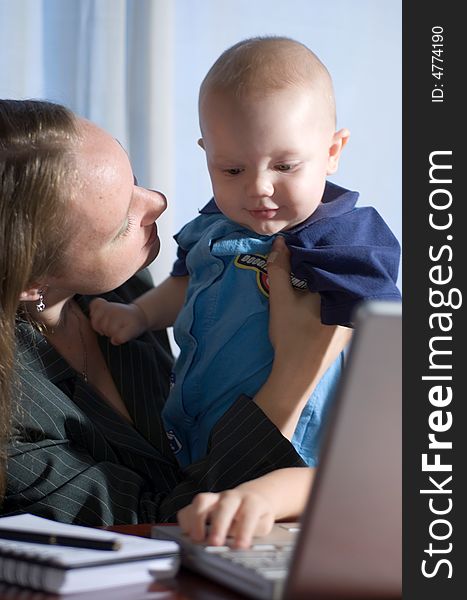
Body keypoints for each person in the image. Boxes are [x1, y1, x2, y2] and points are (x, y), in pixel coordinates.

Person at [0, 98, 349, 546]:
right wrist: (293, 379)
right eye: (121, 224)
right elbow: (156, 524)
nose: (159, 203)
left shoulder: (119, 292)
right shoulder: (12, 426)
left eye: (136, 181)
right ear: (31, 280)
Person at [91, 36, 402, 468]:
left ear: (332, 152)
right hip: (198, 425)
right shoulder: (210, 227)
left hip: (294, 447)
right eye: (232, 169)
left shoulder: (343, 239)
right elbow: (184, 284)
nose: (258, 187)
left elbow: (388, 337)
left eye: (285, 166)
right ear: (207, 156)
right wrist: (140, 314)